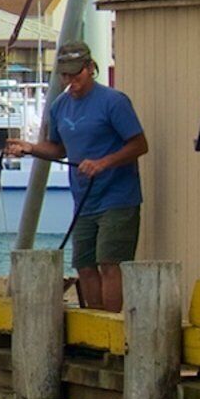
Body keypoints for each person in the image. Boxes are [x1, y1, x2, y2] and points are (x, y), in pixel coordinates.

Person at [21, 45, 149, 310]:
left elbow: (139, 145)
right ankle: (94, 322)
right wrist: (30, 148)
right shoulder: (60, 107)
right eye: (64, 76)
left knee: (110, 262)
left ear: (90, 68)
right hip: (83, 200)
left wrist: (104, 163)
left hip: (118, 197)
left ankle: (111, 329)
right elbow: (58, 148)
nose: (70, 82)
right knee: (84, 264)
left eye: (75, 75)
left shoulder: (114, 101)